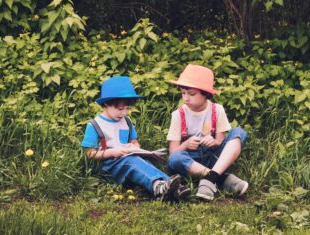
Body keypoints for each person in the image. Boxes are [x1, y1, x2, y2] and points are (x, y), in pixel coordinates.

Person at [81, 76, 189, 201]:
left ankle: (172, 188)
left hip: (127, 159)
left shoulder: (126, 121)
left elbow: (134, 141)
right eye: (120, 109)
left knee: (144, 163)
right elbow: (89, 153)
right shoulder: (95, 125)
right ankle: (158, 188)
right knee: (132, 162)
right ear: (106, 103)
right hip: (109, 166)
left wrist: (135, 147)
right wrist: (111, 152)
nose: (124, 113)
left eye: (127, 108)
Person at [166, 64, 249, 201]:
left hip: (213, 159)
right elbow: (173, 152)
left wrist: (214, 143)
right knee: (175, 159)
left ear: (205, 93)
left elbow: (220, 143)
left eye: (191, 94)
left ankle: (211, 177)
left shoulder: (217, 110)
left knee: (239, 132)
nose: (186, 98)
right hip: (191, 162)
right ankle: (218, 178)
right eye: (183, 93)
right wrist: (186, 144)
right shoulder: (178, 115)